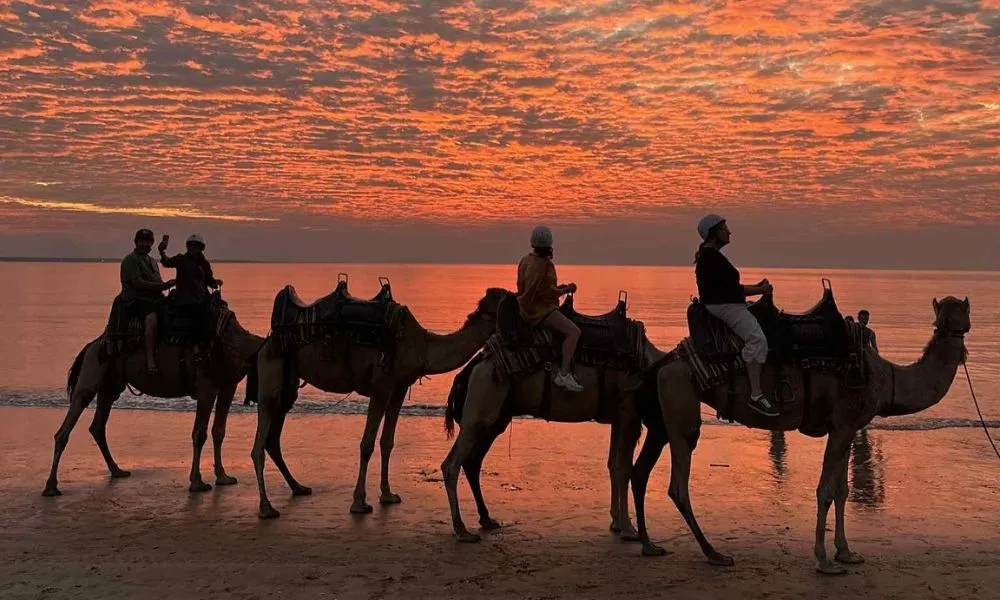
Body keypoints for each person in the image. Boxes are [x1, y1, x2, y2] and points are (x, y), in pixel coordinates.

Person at [695, 214, 778, 417]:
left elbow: (730, 287)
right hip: (725, 306)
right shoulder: (711, 258)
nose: (729, 232)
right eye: (724, 228)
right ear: (714, 233)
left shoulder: (711, 256)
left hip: (726, 303)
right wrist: (762, 291)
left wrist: (756, 288)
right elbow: (732, 291)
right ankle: (756, 395)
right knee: (757, 340)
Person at [516, 225, 583, 392]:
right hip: (540, 312)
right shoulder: (545, 265)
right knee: (574, 332)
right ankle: (564, 374)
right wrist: (567, 290)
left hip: (524, 309)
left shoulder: (525, 261)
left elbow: (533, 288)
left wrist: (558, 288)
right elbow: (547, 293)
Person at [120, 228, 175, 374]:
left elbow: (158, 281)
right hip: (136, 299)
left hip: (154, 298)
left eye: (147, 241)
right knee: (152, 319)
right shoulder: (130, 260)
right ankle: (150, 359)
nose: (144, 244)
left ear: (151, 244)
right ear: (136, 242)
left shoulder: (152, 261)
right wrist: (163, 286)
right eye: (141, 241)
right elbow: (137, 283)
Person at [158, 234, 222, 337]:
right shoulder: (181, 259)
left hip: (200, 298)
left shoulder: (204, 264)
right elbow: (167, 262)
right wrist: (161, 252)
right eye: (190, 245)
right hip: (186, 300)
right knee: (202, 314)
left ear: (201, 248)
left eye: (195, 245)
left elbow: (209, 280)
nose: (192, 248)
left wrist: (215, 283)